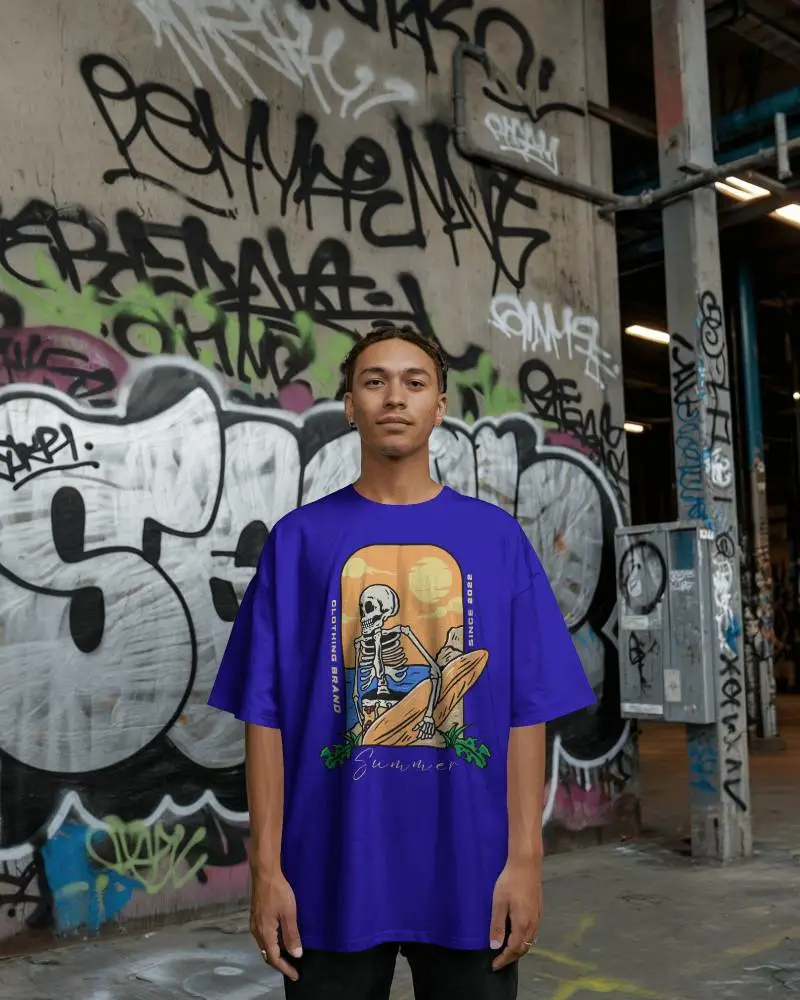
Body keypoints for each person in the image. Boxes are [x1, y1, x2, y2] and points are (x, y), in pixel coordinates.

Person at [208, 325, 595, 1000]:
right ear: (350, 405)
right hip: (328, 874)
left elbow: (523, 711)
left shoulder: (494, 539)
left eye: (415, 383)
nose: (395, 397)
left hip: (472, 873)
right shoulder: (299, 542)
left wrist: (525, 861)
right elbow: (264, 716)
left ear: (439, 406)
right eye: (374, 381)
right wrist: (267, 867)